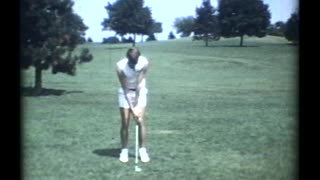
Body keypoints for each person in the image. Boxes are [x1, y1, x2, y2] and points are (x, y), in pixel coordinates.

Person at [116, 47, 150, 163]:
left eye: (134, 63)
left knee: (140, 120)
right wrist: (132, 106)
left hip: (139, 92)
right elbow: (125, 88)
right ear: (127, 59)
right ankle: (124, 150)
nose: (133, 65)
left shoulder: (144, 63)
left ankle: (142, 150)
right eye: (131, 63)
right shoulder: (120, 66)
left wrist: (136, 105)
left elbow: (140, 83)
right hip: (125, 92)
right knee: (125, 121)